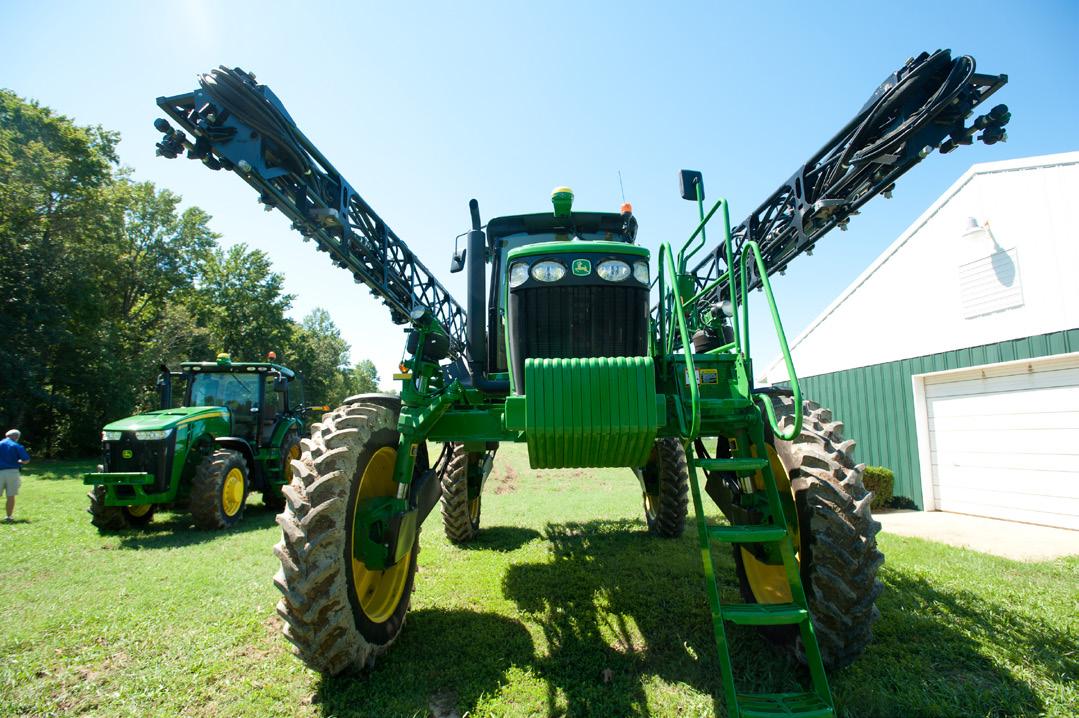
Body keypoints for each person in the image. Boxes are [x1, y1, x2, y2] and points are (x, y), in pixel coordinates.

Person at [0, 429, 30, 523]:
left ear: (6, 435)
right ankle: (9, 517)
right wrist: (19, 461)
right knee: (10, 496)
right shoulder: (17, 446)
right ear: (16, 437)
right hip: (12, 472)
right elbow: (26, 460)